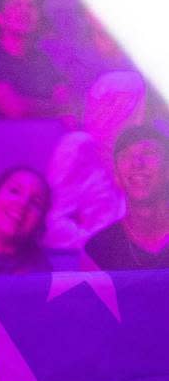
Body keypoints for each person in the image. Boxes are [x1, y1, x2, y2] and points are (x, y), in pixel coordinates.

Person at [46, 71, 145, 250]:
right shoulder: (79, 146)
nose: (140, 118)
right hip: (87, 260)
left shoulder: (142, 153)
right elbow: (54, 222)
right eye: (133, 107)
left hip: (134, 260)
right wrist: (99, 245)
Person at [0, 0, 72, 119]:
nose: (25, 11)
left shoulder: (43, 59)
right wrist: (55, 108)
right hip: (0, 135)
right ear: (0, 19)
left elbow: (66, 103)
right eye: (16, 5)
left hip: (44, 132)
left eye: (31, 6)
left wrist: (55, 108)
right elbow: (15, 109)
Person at [84, 124, 169, 270]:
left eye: (148, 152)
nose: (137, 163)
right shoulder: (98, 249)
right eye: (126, 155)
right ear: (116, 176)